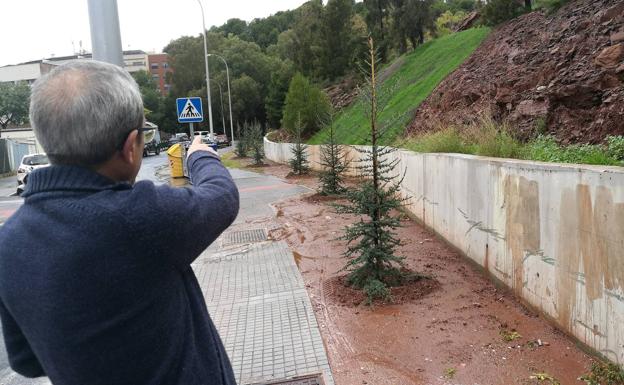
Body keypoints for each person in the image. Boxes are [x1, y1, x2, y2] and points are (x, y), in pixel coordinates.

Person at [0, 61, 239, 385]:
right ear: (130, 148)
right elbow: (222, 198)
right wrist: (201, 155)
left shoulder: (8, 243)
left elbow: (27, 361)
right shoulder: (139, 218)